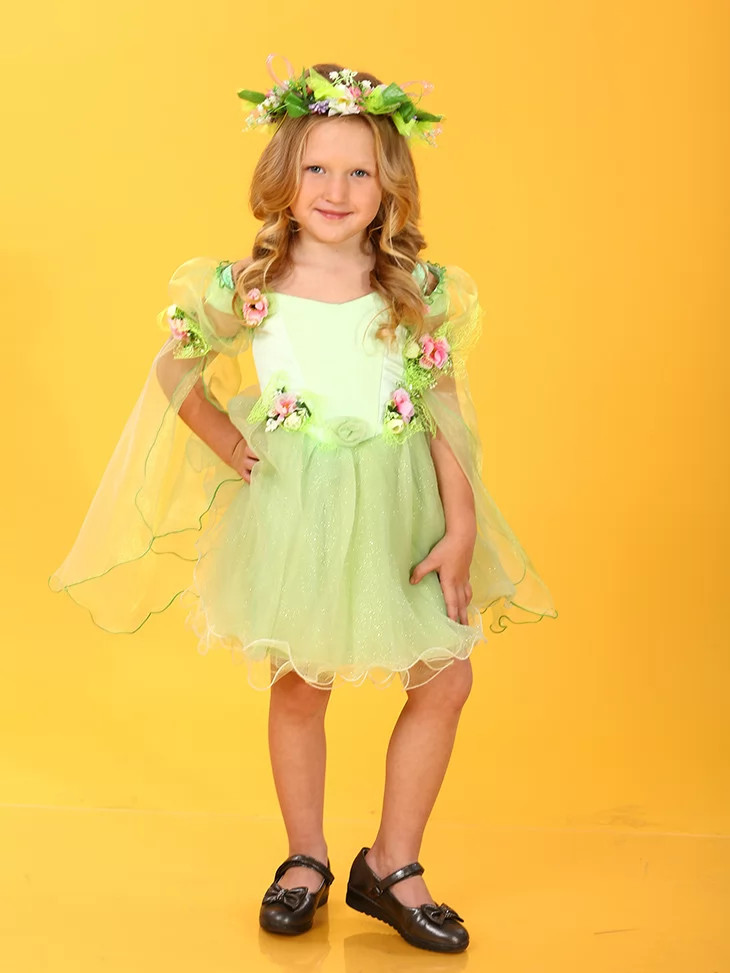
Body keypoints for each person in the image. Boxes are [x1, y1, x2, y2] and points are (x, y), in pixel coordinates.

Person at [49, 55, 558, 954]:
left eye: (359, 171)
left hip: (403, 514)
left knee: (447, 677)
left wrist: (462, 524)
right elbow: (175, 367)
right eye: (317, 167)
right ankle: (305, 857)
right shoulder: (253, 288)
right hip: (300, 513)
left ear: (388, 183)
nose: (335, 189)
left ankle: (393, 862)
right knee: (300, 681)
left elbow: (443, 410)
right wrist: (226, 439)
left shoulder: (413, 292)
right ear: (283, 174)